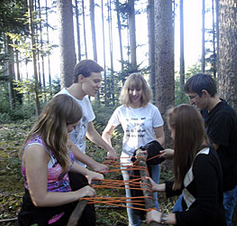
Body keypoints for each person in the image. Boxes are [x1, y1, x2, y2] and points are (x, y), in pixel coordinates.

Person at [17, 94, 104, 226]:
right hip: (43, 216)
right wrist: (79, 193)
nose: (73, 129)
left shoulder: (58, 138)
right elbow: (39, 199)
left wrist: (88, 173)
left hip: (63, 206)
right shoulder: (36, 150)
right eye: (72, 126)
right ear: (59, 123)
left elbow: (63, 163)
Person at [146, 104, 226, 226]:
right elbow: (190, 184)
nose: (172, 136)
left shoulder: (204, 161)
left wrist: (163, 217)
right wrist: (158, 187)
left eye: (172, 131)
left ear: (183, 131)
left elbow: (206, 213)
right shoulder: (197, 152)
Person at [102, 73, 165, 226]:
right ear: (126, 90)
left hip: (149, 160)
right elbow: (106, 133)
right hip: (127, 160)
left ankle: (154, 222)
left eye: (138, 89)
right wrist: (110, 150)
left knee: (151, 195)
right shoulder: (121, 110)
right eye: (131, 89)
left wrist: (149, 150)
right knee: (131, 197)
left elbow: (161, 137)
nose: (134, 93)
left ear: (144, 90)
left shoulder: (152, 110)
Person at [184, 73, 237, 226]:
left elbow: (206, 150)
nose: (191, 102)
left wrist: (177, 154)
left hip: (225, 184)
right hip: (210, 181)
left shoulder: (223, 115)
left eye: (192, 97)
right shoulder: (205, 111)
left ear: (205, 93)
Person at [56, 59, 118, 189]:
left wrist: (109, 149)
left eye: (100, 81)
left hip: (79, 167)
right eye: (96, 81)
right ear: (81, 78)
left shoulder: (85, 100)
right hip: (63, 167)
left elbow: (90, 132)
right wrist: (93, 164)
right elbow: (65, 143)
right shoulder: (61, 101)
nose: (99, 85)